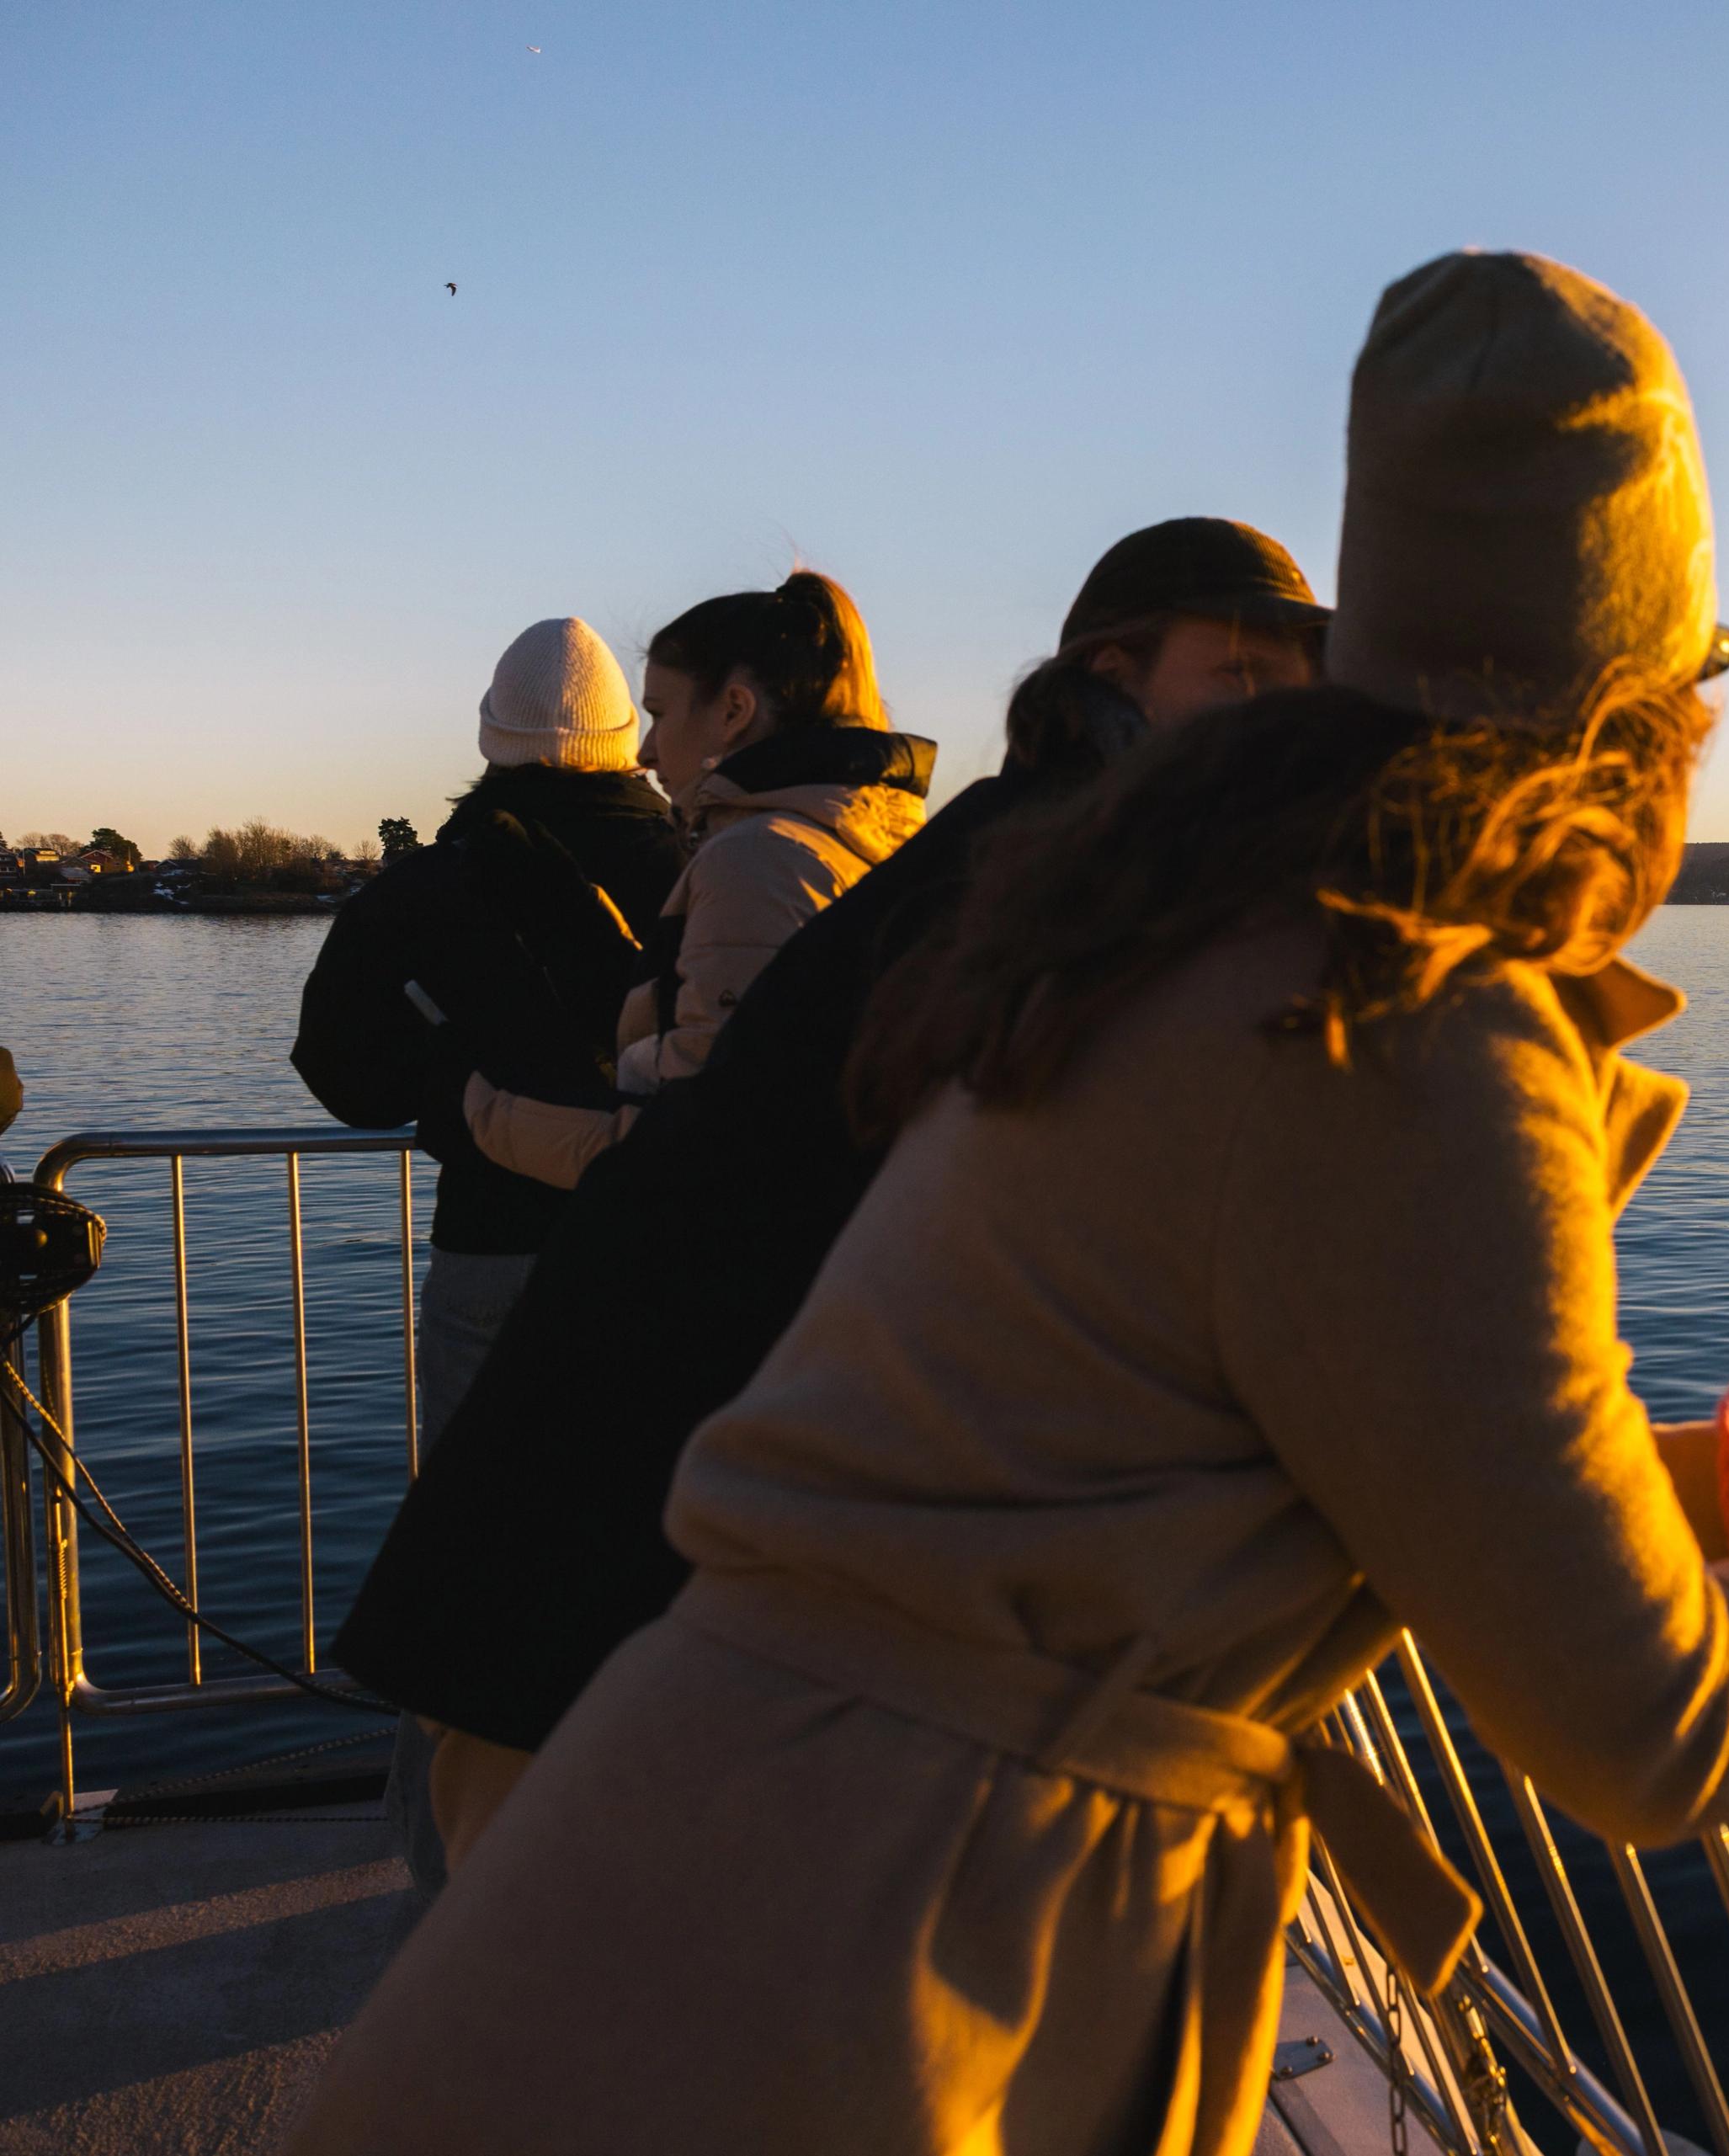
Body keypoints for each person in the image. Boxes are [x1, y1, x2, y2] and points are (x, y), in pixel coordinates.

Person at [286, 253, 1729, 2156]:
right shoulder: (1391, 1011)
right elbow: (1640, 1718)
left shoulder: (1173, 923)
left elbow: (1407, 1440)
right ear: (1646, 714)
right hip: (815, 1979)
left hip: (712, 1849)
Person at [330, 523, 1327, 1877]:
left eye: (1299, 685)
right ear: (1117, 671)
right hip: (674, 1414)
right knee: (534, 1871)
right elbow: (740, 1133)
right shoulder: (1007, 862)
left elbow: (724, 1121)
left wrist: (474, 1104)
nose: (1282, 718)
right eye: (1244, 676)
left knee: (545, 1810)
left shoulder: (981, 860)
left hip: (675, 1401)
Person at [289, 619, 686, 1439]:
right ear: (626, 739)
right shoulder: (704, 868)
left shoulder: (425, 888)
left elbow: (345, 1078)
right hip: (670, 1246)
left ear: (491, 737)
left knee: (477, 1542)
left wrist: (450, 1076)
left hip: (492, 1244)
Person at [460, 570, 932, 1190]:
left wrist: (497, 1117)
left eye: (658, 712)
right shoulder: (866, 839)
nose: (646, 750)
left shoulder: (756, 860)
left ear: (734, 709)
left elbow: (709, 1137)